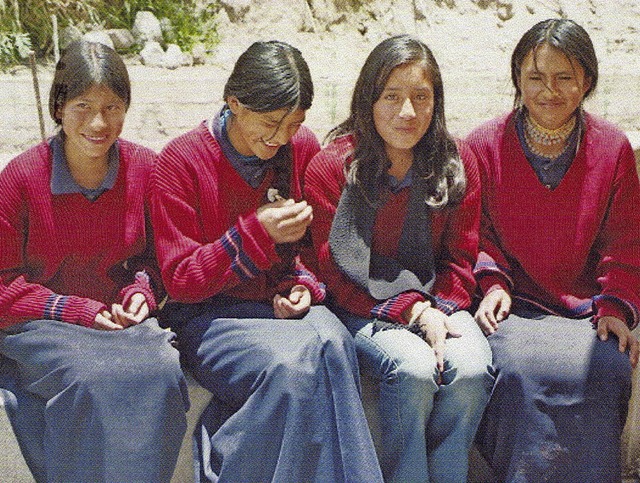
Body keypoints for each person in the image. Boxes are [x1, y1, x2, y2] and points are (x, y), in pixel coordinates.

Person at [149, 40, 383, 482]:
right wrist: (254, 233)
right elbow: (179, 280)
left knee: (335, 347)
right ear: (233, 102)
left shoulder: (301, 148)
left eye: (294, 124)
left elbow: (318, 250)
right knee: (290, 369)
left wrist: (303, 285)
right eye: (271, 122)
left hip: (280, 310)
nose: (280, 138)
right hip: (208, 317)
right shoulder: (179, 162)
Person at [304, 34, 493, 482]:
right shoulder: (333, 168)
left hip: (440, 301)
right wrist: (410, 310)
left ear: (436, 102)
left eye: (421, 97)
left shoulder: (455, 161)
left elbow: (461, 259)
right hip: (362, 303)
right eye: (392, 97)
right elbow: (335, 269)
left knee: (470, 370)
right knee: (411, 368)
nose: (407, 113)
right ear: (369, 98)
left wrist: (435, 310)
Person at [0, 40, 188, 482]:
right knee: (89, 379)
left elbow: (161, 261)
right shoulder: (19, 178)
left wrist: (141, 292)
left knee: (162, 371)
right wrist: (73, 309)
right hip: (44, 326)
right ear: (59, 107)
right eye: (83, 106)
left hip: (122, 325)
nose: (99, 123)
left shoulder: (146, 168)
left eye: (113, 106)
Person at [467, 18, 640, 482]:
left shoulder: (613, 148)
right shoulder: (484, 145)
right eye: (535, 77)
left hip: (586, 310)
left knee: (607, 366)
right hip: (515, 307)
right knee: (519, 373)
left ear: (587, 81)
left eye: (565, 77)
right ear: (517, 80)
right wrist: (493, 283)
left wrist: (616, 305)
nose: (549, 91)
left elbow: (624, 241)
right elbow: (475, 232)